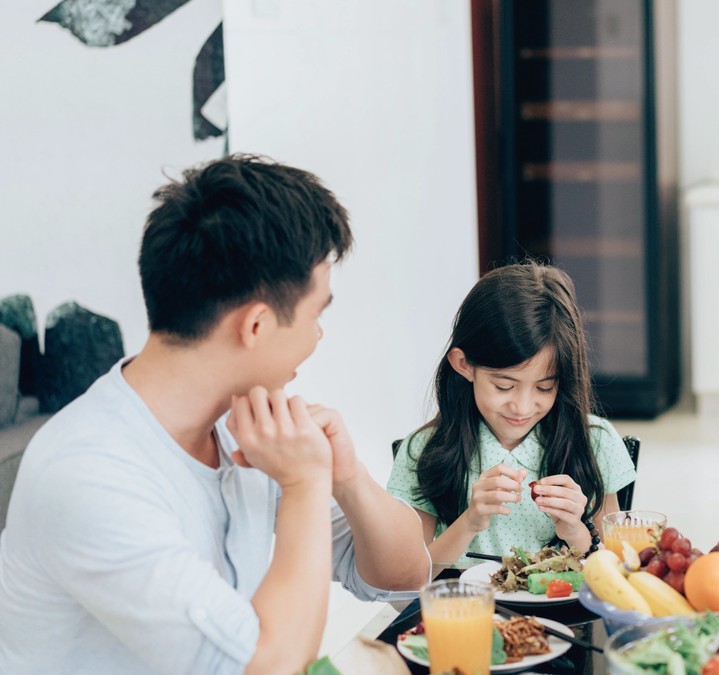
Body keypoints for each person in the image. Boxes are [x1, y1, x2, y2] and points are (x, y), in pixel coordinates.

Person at [0, 155, 432, 674]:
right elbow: (264, 667)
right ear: (255, 326)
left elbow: (405, 576)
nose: (319, 335)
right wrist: (303, 484)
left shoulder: (246, 425)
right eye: (317, 315)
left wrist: (346, 478)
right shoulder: (89, 473)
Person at [387, 262, 636, 569]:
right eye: (504, 386)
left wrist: (575, 531)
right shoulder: (424, 451)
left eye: (544, 387)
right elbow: (406, 581)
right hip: (470, 614)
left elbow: (621, 570)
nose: (522, 407)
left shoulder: (594, 441)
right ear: (463, 364)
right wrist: (470, 522)